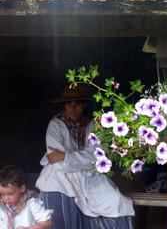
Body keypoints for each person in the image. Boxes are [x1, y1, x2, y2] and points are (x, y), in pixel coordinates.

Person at [35, 84, 135, 229]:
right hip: (58, 177)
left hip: (89, 177)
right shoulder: (55, 124)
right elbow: (54, 161)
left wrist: (66, 157)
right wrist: (84, 158)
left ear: (85, 105)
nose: (73, 108)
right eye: (69, 103)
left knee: (116, 202)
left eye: (77, 103)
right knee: (61, 208)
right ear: (64, 105)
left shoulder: (93, 125)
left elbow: (97, 157)